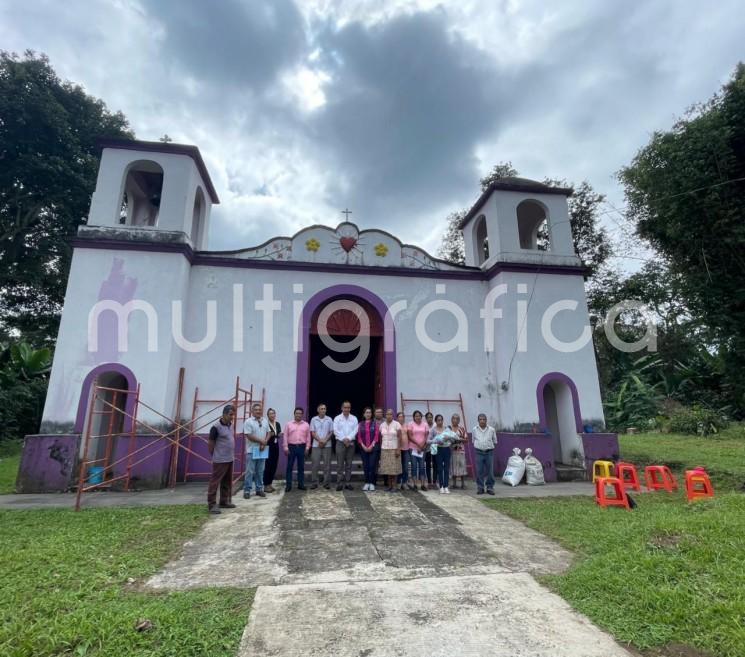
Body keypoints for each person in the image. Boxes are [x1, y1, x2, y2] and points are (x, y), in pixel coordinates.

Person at [207, 405, 237, 514]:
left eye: (233, 415)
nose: (232, 417)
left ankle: (224, 501)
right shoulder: (216, 427)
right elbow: (211, 444)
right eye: (230, 415)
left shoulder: (231, 425)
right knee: (215, 482)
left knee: (227, 481)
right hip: (220, 460)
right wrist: (215, 455)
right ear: (224, 414)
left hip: (229, 458)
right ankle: (212, 504)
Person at [243, 402, 269, 499]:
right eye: (256, 410)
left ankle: (259, 489)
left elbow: (269, 432)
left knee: (260, 471)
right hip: (251, 450)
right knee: (250, 471)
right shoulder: (248, 421)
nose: (258, 411)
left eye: (259, 410)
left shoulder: (265, 421)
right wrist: (261, 441)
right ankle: (247, 490)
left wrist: (264, 442)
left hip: (262, 449)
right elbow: (248, 435)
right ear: (252, 411)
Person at [428, 414, 458, 494]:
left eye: (441, 420)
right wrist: (437, 441)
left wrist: (449, 438)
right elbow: (428, 441)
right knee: (440, 468)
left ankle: (446, 486)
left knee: (446, 468)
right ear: (436, 421)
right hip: (438, 449)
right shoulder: (433, 430)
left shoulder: (447, 429)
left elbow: (455, 438)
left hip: (447, 449)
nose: (440, 422)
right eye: (438, 420)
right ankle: (441, 486)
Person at [333, 401, 358, 491]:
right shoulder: (337, 418)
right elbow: (335, 430)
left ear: (350, 408)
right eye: (345, 407)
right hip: (340, 442)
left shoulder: (354, 418)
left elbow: (355, 430)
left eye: (348, 407)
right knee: (340, 464)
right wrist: (344, 439)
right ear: (342, 408)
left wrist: (349, 438)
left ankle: (348, 483)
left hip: (351, 443)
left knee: (349, 464)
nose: (347, 409)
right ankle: (339, 483)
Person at [284, 407, 310, 491]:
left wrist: (307, 447)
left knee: (301, 467)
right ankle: (288, 485)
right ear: (294, 414)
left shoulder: (306, 425)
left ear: (302, 415)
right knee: (289, 467)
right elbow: (285, 436)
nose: (298, 415)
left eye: (300, 413)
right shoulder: (288, 424)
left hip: (302, 447)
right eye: (297, 413)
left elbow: (308, 437)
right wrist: (285, 447)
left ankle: (301, 484)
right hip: (291, 447)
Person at [310, 403, 334, 489]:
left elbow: (331, 432)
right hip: (316, 445)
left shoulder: (329, 419)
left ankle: (326, 483)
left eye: (324, 409)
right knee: (315, 465)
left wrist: (324, 441)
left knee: (327, 465)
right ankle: (314, 482)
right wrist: (320, 440)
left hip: (327, 445)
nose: (323, 410)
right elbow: (312, 432)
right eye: (321, 409)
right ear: (318, 410)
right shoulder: (313, 419)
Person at [472, 413, 497, 495]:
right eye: (480, 419)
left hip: (489, 452)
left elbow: (495, 441)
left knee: (490, 471)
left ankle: (490, 487)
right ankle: (480, 487)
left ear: (486, 420)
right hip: (478, 452)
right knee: (479, 471)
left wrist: (488, 447)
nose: (482, 421)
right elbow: (473, 440)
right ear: (478, 421)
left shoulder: (492, 430)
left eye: (484, 419)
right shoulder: (474, 429)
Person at [379, 408, 402, 492]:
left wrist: (398, 449)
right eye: (387, 414)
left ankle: (395, 486)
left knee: (394, 469)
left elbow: (400, 437)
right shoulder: (382, 425)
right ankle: (389, 485)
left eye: (391, 414)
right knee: (388, 469)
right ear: (385, 415)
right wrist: (381, 447)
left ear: (393, 415)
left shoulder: (397, 424)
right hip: (385, 449)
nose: (389, 416)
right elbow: (381, 438)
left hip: (394, 448)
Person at [357, 407, 379, 491]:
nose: (368, 414)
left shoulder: (375, 424)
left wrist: (371, 446)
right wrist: (363, 446)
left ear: (371, 414)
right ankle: (366, 483)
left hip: (373, 449)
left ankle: (372, 483)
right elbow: (359, 437)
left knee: (372, 466)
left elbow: (376, 437)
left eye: (369, 412)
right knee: (365, 466)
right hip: (363, 449)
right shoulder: (360, 424)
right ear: (364, 414)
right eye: (366, 412)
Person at [407, 410, 429, 491]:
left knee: (422, 466)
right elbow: (409, 436)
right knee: (414, 466)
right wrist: (418, 444)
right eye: (416, 416)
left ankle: (423, 484)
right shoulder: (410, 424)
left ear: (421, 416)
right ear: (413, 417)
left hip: (422, 448)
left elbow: (426, 436)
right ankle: (415, 484)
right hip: (413, 448)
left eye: (419, 415)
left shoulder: (425, 424)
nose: (418, 417)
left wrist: (422, 446)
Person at [263, 408, 281, 493]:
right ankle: (266, 484)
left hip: (276, 446)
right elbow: (266, 434)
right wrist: (274, 434)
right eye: (270, 414)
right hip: (268, 446)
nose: (272, 415)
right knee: (268, 465)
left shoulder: (277, 424)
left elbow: (279, 433)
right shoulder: (265, 424)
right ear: (267, 415)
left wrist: (276, 434)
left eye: (273, 413)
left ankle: (270, 483)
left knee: (274, 465)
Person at [450, 413, 469, 489]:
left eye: (457, 419)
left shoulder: (461, 429)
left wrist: (459, 439)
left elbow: (466, 439)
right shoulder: (449, 429)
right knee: (453, 466)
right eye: (454, 418)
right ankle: (454, 484)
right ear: (451, 420)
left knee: (462, 466)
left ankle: (463, 484)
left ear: (459, 420)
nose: (455, 420)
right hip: (452, 451)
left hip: (460, 450)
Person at [396, 411, 413, 491]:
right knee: (399, 467)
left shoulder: (407, 425)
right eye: (399, 417)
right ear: (397, 418)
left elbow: (410, 436)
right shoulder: (395, 425)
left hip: (406, 449)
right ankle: (398, 482)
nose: (401, 418)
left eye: (402, 417)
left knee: (405, 467)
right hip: (398, 449)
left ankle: (405, 483)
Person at [373, 407, 385, 487]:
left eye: (380, 412)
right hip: (375, 444)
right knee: (375, 462)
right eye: (377, 412)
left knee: (385, 462)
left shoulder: (386, 421)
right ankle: (374, 479)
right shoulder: (371, 422)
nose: (379, 413)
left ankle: (386, 480)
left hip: (385, 444)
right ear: (374, 413)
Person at [424, 411, 435, 487]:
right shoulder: (424, 425)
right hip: (426, 448)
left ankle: (434, 482)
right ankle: (429, 481)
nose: (429, 419)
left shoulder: (435, 425)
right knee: (427, 465)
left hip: (435, 448)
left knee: (435, 465)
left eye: (431, 417)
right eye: (428, 417)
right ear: (426, 418)